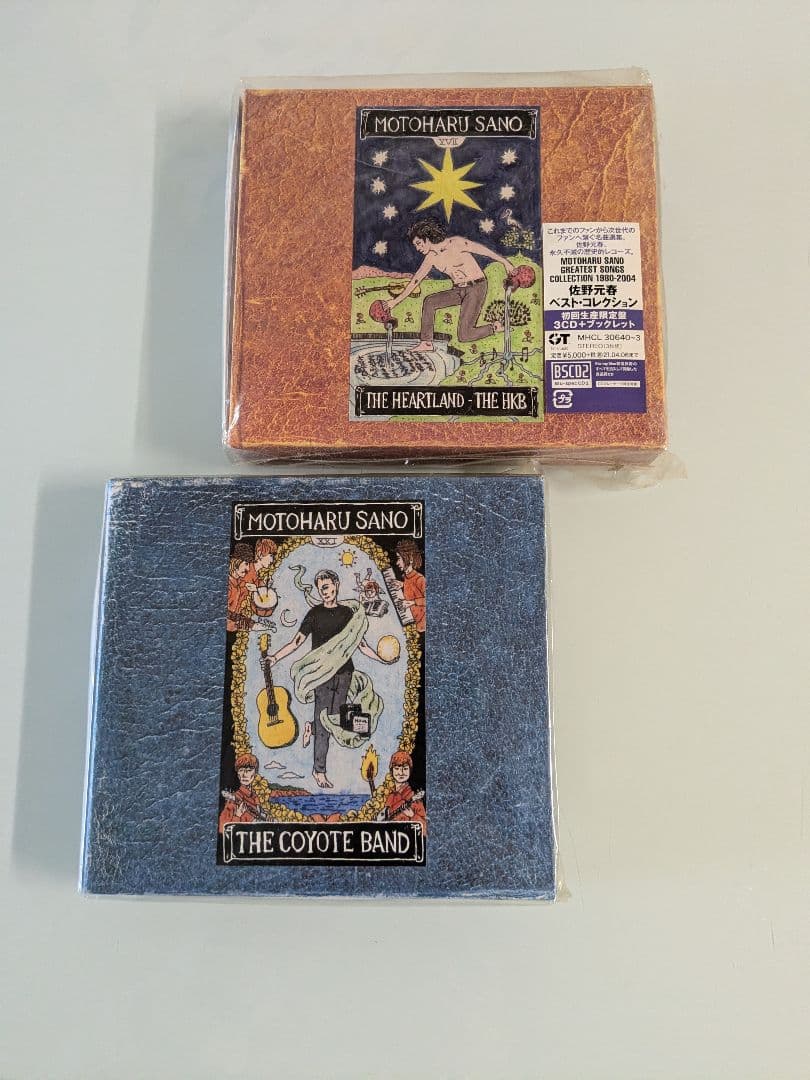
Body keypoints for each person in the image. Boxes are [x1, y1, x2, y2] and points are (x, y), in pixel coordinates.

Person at [268, 570, 392, 789]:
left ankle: (312, 726)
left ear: (336, 584)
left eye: (326, 586)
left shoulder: (348, 614)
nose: (323, 592)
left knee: (340, 720)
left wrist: (381, 658)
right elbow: (296, 641)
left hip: (345, 674)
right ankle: (319, 771)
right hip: (321, 676)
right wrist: (275, 657)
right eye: (320, 588)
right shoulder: (314, 613)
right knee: (326, 724)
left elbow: (361, 645)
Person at [383, 218, 514, 352]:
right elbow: (415, 281)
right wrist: (395, 302)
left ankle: (495, 327)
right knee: (430, 302)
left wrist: (505, 262)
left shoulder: (456, 243)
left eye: (418, 243)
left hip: (476, 288)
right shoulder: (431, 258)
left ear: (427, 238)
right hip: (458, 290)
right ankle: (426, 343)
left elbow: (484, 251)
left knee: (464, 335)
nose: (417, 248)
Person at [383, 750, 426, 835]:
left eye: (405, 769)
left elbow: (426, 830)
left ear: (410, 771)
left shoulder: (414, 798)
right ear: (392, 771)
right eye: (397, 768)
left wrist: (412, 815)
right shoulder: (390, 797)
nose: (401, 772)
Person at [218, 753, 262, 832]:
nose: (244, 774)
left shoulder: (255, 797)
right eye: (241, 770)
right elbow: (222, 830)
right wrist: (237, 816)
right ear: (238, 775)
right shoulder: (232, 800)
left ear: (255, 774)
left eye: (249, 770)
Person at [394, 540, 426, 633]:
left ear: (410, 559)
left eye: (399, 559)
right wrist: (403, 585)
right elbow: (412, 587)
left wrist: (412, 602)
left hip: (420, 625)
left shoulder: (420, 579)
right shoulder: (405, 577)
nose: (397, 563)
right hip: (410, 619)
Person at [226, 543, 257, 631]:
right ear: (236, 562)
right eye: (246, 563)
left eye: (249, 564)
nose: (248, 569)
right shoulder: (228, 585)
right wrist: (251, 625)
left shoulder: (240, 583)